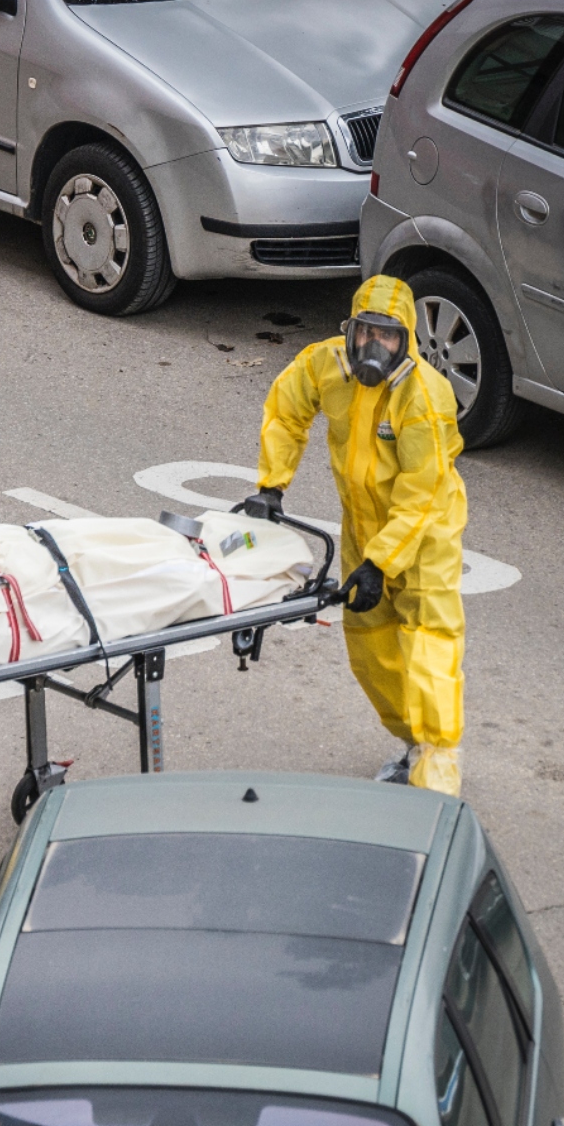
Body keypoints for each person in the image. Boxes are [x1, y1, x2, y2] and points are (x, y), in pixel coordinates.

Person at [245, 276, 466, 796]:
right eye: (366, 332)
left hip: (425, 532)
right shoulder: (326, 365)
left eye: (388, 337)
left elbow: (422, 491)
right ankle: (412, 744)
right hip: (363, 524)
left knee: (429, 644)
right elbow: (286, 411)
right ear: (350, 330)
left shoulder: (424, 397)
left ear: (406, 341)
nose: (375, 347)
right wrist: (271, 486)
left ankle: (437, 777)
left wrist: (381, 563)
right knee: (370, 644)